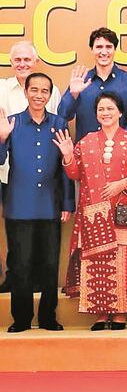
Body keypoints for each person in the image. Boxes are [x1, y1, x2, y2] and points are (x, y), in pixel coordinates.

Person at [55, 92, 127, 331]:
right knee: (97, 265)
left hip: (123, 213)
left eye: (110, 108)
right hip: (94, 215)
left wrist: (123, 183)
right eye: (101, 109)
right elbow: (75, 174)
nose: (105, 113)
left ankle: (120, 314)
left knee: (125, 263)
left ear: (120, 112)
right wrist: (68, 155)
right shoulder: (86, 141)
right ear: (96, 114)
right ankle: (100, 313)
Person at [0, 73, 73, 332]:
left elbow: (66, 167)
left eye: (44, 91)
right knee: (21, 265)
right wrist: (1, 139)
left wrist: (67, 203)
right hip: (19, 206)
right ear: (26, 92)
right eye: (34, 90)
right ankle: (21, 319)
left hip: (50, 205)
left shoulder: (59, 123)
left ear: (50, 95)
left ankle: (48, 317)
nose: (39, 95)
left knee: (50, 264)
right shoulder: (12, 122)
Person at [0, 42, 61, 294]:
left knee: (42, 239)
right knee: (17, 235)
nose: (22, 64)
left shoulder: (51, 90)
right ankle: (14, 281)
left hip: (41, 173)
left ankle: (36, 283)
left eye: (27, 59)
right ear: (10, 62)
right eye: (18, 60)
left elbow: (54, 125)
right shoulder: (2, 88)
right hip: (7, 172)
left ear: (36, 62)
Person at [57, 27, 127, 142]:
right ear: (92, 49)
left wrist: (118, 142)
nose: (104, 52)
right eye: (99, 47)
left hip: (120, 150)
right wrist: (73, 95)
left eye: (108, 47)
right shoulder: (81, 80)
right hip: (86, 150)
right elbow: (63, 116)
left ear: (115, 49)